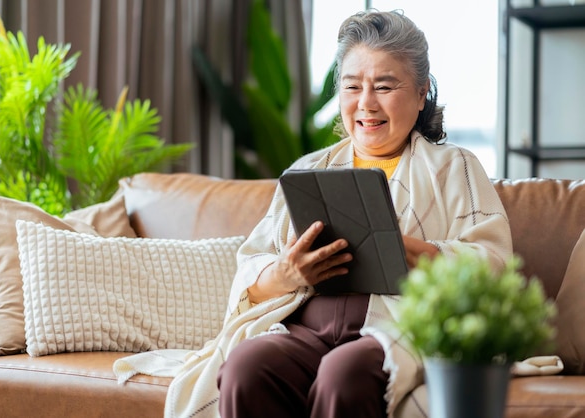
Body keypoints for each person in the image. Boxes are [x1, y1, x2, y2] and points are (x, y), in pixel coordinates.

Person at [165, 9, 512, 418]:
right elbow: (251, 269)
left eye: (384, 86)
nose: (366, 103)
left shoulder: (455, 168)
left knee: (343, 374)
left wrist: (407, 252)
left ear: (421, 93)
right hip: (306, 328)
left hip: (394, 327)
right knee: (246, 368)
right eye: (352, 86)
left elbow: (495, 266)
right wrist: (286, 273)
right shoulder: (308, 171)